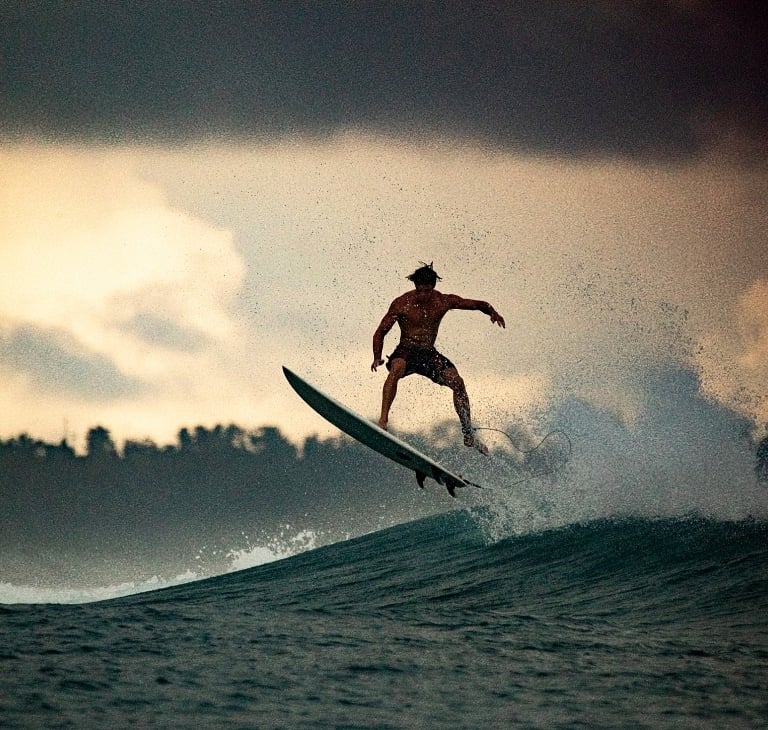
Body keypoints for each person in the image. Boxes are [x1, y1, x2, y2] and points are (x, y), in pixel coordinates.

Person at [371, 263, 505, 452]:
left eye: (427, 290)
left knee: (457, 382)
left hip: (428, 353)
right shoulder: (402, 303)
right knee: (397, 368)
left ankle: (468, 433)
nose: (423, 295)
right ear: (415, 286)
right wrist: (377, 357)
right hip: (406, 351)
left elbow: (476, 304)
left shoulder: (443, 301)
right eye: (420, 290)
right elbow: (380, 332)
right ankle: (383, 421)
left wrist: (492, 312)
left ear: (433, 287)